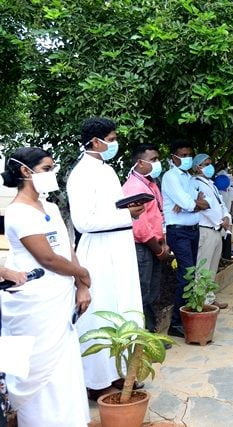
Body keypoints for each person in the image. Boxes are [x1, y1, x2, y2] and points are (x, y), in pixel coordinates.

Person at [1, 147, 92, 426]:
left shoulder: (50, 207)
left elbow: (67, 249)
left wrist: (80, 285)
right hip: (33, 300)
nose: (52, 174)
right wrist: (84, 273)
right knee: (38, 372)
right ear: (25, 172)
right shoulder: (17, 213)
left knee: (65, 368)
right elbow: (48, 258)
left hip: (60, 297)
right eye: (46, 169)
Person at [67, 117, 144, 398]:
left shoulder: (107, 170)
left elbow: (110, 208)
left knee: (122, 308)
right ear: (96, 141)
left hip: (119, 248)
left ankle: (120, 373)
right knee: (101, 315)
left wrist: (128, 208)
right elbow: (84, 220)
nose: (114, 143)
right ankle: (96, 381)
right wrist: (127, 214)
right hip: (98, 252)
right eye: (111, 139)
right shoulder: (81, 174)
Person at [162, 139, 209, 337]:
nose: (186, 158)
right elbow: (189, 203)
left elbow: (204, 202)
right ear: (173, 158)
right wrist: (191, 203)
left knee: (190, 272)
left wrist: (193, 203)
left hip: (193, 229)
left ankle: (187, 314)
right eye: (182, 155)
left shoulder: (190, 178)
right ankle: (176, 322)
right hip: (178, 231)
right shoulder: (170, 177)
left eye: (189, 155)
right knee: (186, 274)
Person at [122, 144, 171, 332]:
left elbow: (159, 215)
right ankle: (143, 336)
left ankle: (150, 333)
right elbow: (139, 226)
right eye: (153, 160)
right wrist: (158, 249)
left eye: (158, 158)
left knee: (153, 292)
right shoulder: (134, 187)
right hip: (144, 248)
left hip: (155, 245)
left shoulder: (150, 184)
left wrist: (164, 243)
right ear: (140, 163)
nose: (158, 163)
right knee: (143, 292)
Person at [191, 154, 230, 309]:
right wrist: (219, 221)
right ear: (197, 167)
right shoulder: (194, 184)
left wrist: (226, 217)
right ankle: (199, 301)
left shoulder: (211, 184)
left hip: (217, 229)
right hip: (205, 228)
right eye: (205, 164)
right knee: (203, 268)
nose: (209, 167)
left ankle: (209, 298)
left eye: (210, 163)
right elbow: (203, 206)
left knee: (212, 267)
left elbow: (221, 205)